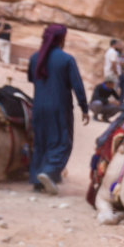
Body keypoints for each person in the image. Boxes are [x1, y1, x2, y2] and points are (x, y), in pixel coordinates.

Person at [26, 24, 89, 195]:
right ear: (61, 39)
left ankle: (36, 179)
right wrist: (84, 107)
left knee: (41, 142)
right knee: (61, 142)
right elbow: (77, 85)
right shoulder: (66, 59)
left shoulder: (34, 58)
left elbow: (31, 78)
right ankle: (49, 172)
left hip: (38, 106)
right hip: (59, 107)